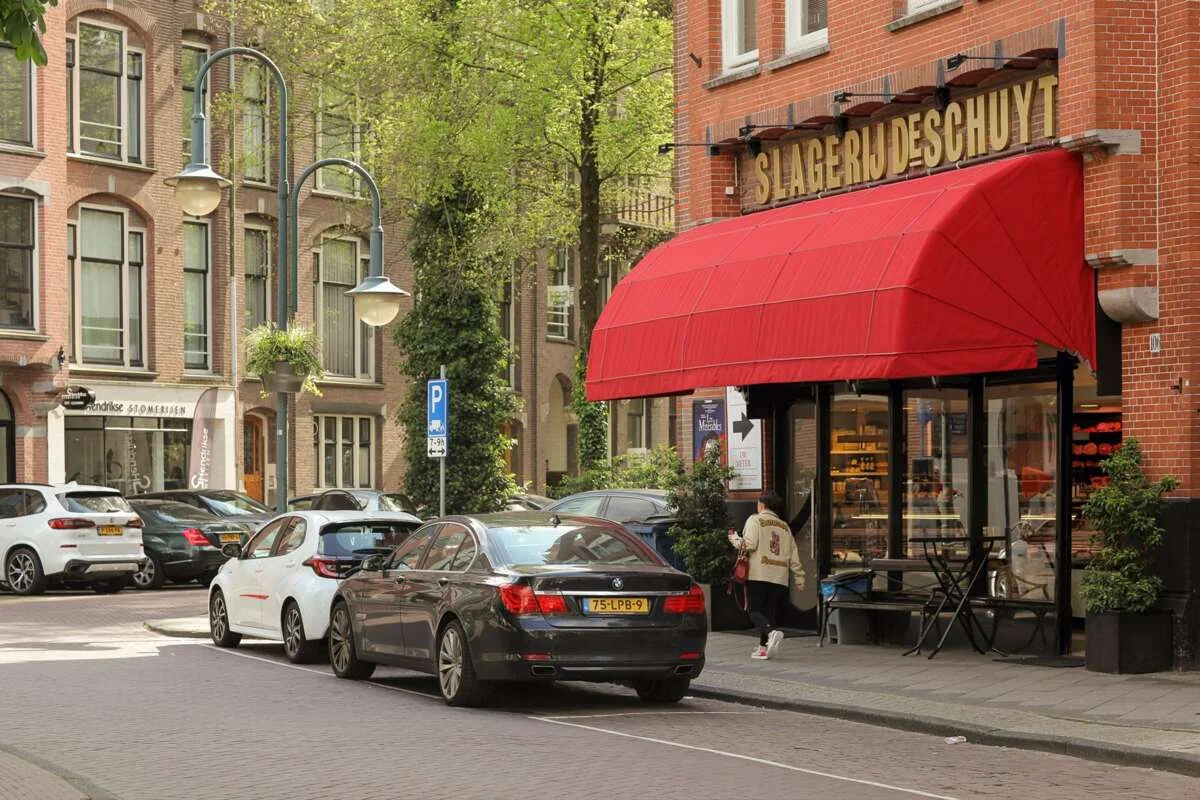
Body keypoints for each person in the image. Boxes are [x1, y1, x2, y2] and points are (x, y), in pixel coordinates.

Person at [728, 491, 805, 660]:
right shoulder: (785, 527)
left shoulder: (755, 519)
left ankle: (770, 633)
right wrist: (799, 577)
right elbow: (794, 553)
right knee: (768, 613)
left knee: (754, 610)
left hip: (759, 573)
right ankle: (763, 648)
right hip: (780, 577)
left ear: (761, 505)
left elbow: (748, 544)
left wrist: (733, 538)